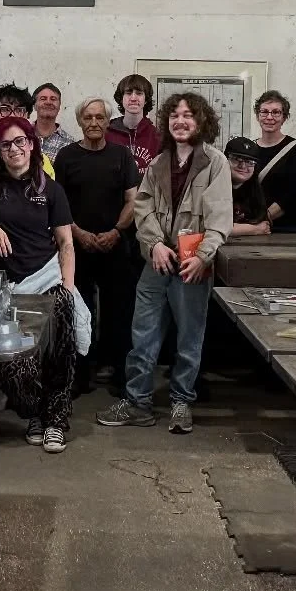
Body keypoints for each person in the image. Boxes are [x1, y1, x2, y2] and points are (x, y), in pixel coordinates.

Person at [96, 93, 233, 435]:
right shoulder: (158, 164)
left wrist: (204, 256)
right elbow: (142, 209)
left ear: (202, 121)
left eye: (188, 115)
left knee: (189, 335)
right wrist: (154, 244)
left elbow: (220, 216)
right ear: (166, 123)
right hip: (157, 262)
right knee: (142, 333)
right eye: (174, 115)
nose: (181, 121)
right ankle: (138, 402)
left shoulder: (215, 163)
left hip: (192, 263)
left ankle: (181, 401)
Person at [0, 115, 84, 454]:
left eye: (20, 141)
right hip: (6, 288)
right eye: (6, 144)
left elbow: (65, 243)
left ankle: (55, 421)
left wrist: (68, 288)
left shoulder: (51, 188)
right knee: (13, 363)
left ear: (32, 145)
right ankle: (34, 413)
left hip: (49, 281)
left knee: (59, 357)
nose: (14, 149)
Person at [55, 97, 139, 394]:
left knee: (120, 313)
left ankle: (120, 376)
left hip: (116, 246)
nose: (94, 123)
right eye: (88, 117)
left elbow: (134, 200)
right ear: (79, 121)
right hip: (77, 248)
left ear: (108, 121)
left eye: (100, 117)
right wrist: (77, 233)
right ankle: (79, 377)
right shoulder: (66, 157)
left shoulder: (122, 156)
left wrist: (116, 231)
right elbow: (58, 203)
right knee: (79, 311)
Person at [252, 89, 296, 232]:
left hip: (287, 227)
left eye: (276, 112)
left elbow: (293, 192)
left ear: (284, 117)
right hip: (253, 227)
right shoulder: (249, 149)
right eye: (264, 111)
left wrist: (263, 219)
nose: (269, 117)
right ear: (258, 116)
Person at [107, 74, 160, 175]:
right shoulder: (107, 133)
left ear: (146, 100)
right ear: (121, 99)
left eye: (139, 93)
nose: (133, 98)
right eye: (128, 93)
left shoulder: (156, 136)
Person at [225, 137, 271, 236]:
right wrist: (254, 229)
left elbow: (265, 226)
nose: (243, 166)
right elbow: (212, 226)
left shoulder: (255, 190)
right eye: (237, 159)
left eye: (250, 162)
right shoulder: (213, 187)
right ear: (225, 160)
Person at [33, 83, 75, 158]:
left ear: (59, 106)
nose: (48, 102)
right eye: (43, 99)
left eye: (53, 99)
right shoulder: (23, 135)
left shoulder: (69, 143)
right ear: (35, 105)